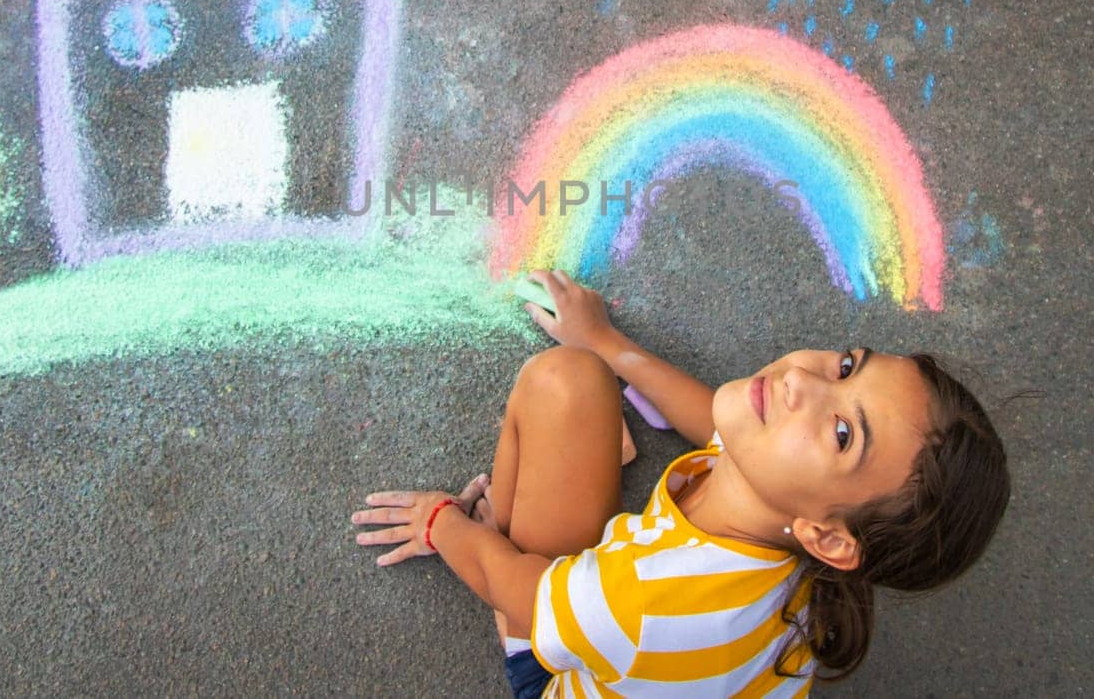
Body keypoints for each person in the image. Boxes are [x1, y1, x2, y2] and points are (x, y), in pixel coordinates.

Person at [352, 268, 1010, 697]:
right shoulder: (804, 519)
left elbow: (519, 589)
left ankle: (503, 519)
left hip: (572, 656)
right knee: (581, 371)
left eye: (843, 433)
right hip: (634, 635)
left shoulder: (646, 602)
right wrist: (603, 341)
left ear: (829, 539)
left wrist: (448, 526)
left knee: (555, 386)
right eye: (846, 366)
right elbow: (714, 419)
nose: (802, 381)